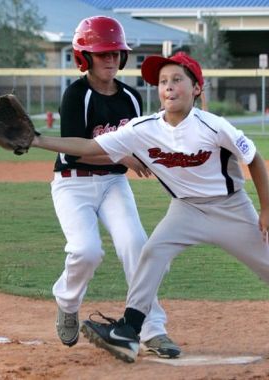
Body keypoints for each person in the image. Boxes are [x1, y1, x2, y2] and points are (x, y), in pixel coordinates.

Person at [31, 51, 269, 363]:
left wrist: (267, 208)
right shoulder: (144, 128)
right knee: (152, 253)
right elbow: (89, 146)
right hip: (185, 210)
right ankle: (129, 331)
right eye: (162, 81)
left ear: (196, 89)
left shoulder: (214, 126)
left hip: (231, 208)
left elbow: (254, 159)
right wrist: (36, 140)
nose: (168, 86)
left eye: (177, 80)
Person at [50, 15, 180, 359]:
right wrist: (123, 158)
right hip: (73, 185)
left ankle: (152, 329)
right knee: (86, 251)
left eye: (115, 53)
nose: (110, 59)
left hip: (113, 185)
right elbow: (73, 154)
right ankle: (67, 302)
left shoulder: (131, 98)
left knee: (137, 248)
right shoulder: (76, 96)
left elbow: (139, 144)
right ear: (85, 57)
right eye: (102, 53)